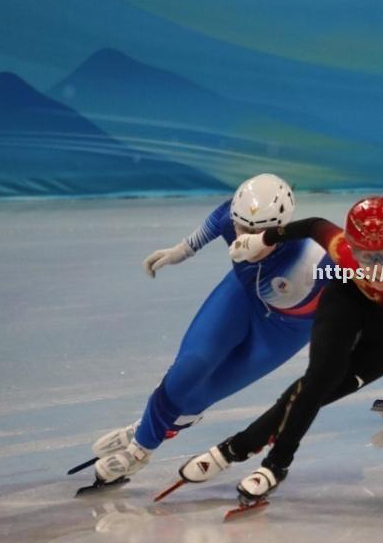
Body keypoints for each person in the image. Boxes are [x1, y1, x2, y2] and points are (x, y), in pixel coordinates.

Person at [169, 196, 383, 505]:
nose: (375, 268)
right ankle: (274, 464)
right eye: (365, 256)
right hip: (349, 297)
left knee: (326, 390)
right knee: (318, 379)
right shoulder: (342, 250)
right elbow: (314, 224)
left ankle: (233, 449)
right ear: (351, 248)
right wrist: (264, 239)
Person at [88, 174, 331, 484]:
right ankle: (140, 448)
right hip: (242, 298)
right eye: (242, 228)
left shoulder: (316, 259)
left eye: (259, 233)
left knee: (203, 393)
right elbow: (219, 218)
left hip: (286, 330)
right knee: (191, 366)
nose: (244, 239)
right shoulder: (234, 217)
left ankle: (148, 427)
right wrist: (182, 250)